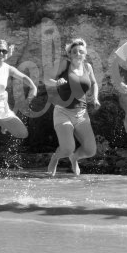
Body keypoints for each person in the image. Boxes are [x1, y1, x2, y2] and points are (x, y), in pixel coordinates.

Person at [46, 38, 100, 176]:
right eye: (74, 52)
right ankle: (55, 158)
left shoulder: (88, 67)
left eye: (81, 51)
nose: (78, 54)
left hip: (82, 114)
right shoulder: (64, 64)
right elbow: (46, 78)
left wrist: (95, 97)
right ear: (69, 54)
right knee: (68, 148)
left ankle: (74, 158)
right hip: (63, 112)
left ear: (85, 53)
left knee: (90, 150)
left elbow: (94, 84)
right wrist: (56, 82)